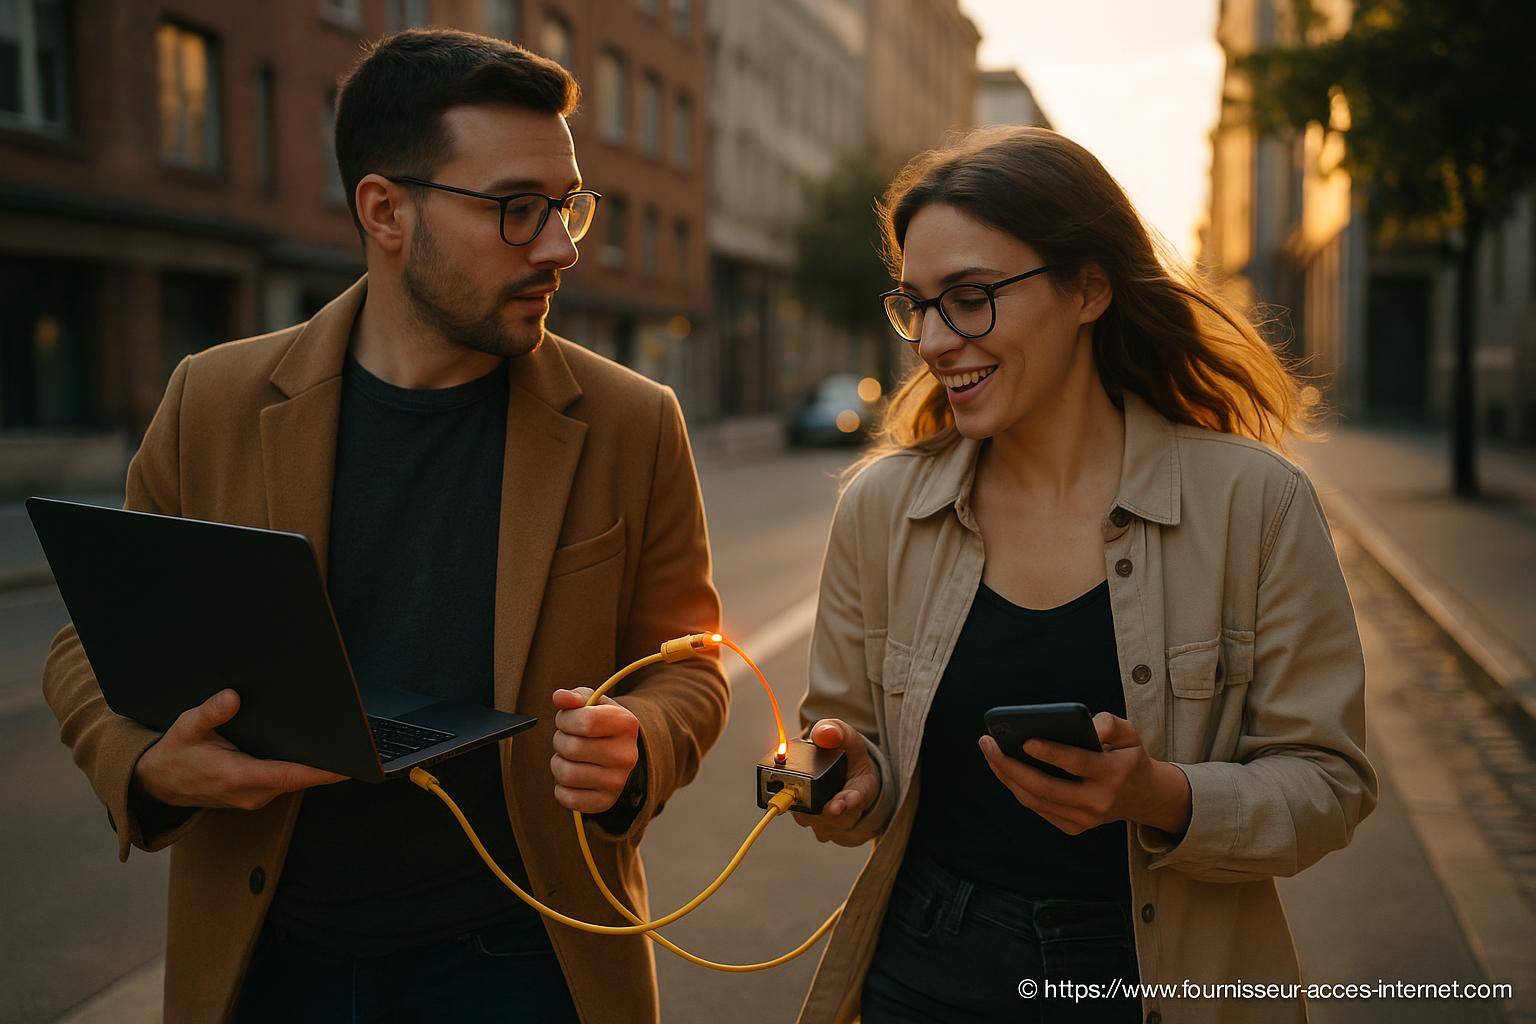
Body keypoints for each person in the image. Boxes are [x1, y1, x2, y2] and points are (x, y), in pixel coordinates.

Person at [40, 29, 726, 1024]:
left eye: (568, 205)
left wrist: (642, 742)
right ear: (385, 210)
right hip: (270, 955)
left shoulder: (632, 420)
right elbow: (91, 638)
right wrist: (142, 763)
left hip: (526, 955)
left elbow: (692, 665)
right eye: (517, 209)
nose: (562, 246)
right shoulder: (214, 398)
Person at [789, 126, 1377, 1024]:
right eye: (917, 305)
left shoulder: (1254, 503)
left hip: (1159, 978)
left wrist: (1163, 798)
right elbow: (847, 742)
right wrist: (846, 780)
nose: (935, 340)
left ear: (1089, 288)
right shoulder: (881, 507)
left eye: (972, 298)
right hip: (925, 969)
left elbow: (1329, 780)